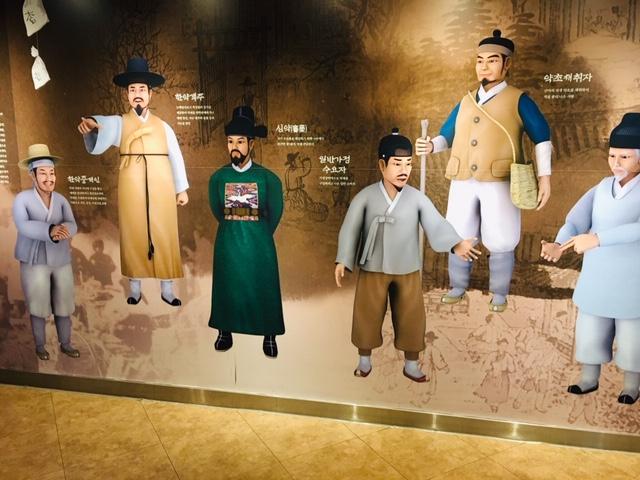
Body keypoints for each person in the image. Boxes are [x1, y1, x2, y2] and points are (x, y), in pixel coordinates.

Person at [415, 29, 552, 312]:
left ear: (507, 64)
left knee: (501, 236)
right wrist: (431, 145)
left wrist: (545, 177)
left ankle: (499, 292)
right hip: (463, 178)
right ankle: (458, 286)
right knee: (459, 231)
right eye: (480, 61)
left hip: (500, 179)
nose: (484, 67)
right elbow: (448, 134)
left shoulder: (518, 99)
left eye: (492, 60)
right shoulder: (466, 100)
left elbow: (542, 137)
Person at [335, 128, 479, 382]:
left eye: (409, 163)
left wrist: (456, 243)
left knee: (411, 315)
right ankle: (364, 359)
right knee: (367, 313)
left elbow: (436, 223)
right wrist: (343, 259)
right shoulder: (365, 197)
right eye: (397, 163)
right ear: (382, 165)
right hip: (373, 266)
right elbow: (350, 228)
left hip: (407, 267)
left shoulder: (416, 198)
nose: (404, 170)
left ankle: (411, 364)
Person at [541, 113, 640, 405]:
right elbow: (575, 220)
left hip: (631, 278)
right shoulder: (601, 187)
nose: (616, 162)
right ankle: (588, 377)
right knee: (591, 330)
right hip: (597, 277)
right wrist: (559, 244)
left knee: (632, 335)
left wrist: (598, 239)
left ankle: (632, 384)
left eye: (624, 156)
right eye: (612, 155)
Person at [77, 57, 189, 306]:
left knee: (164, 233)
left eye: (142, 89)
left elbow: (176, 156)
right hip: (132, 186)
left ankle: (167, 289)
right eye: (132, 89)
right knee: (133, 232)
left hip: (162, 186)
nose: (137, 94)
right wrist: (94, 124)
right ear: (127, 94)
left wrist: (181, 189)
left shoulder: (163, 127)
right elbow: (104, 123)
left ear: (150, 94)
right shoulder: (120, 123)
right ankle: (135, 289)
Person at [208, 106, 285, 357]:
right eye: (230, 141)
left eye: (240, 141)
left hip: (259, 243)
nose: (235, 147)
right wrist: (233, 226)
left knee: (264, 285)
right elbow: (216, 209)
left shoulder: (268, 178)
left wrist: (259, 233)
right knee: (227, 285)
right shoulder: (218, 178)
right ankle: (224, 331)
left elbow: (275, 211)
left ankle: (269, 334)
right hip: (228, 242)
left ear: (251, 144)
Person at [12, 144, 80, 360]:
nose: (49, 178)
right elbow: (23, 225)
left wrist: (65, 230)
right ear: (32, 175)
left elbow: (72, 223)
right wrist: (50, 230)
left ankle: (66, 344)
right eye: (43, 173)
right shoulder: (22, 199)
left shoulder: (61, 200)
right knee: (38, 304)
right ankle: (40, 346)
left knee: (64, 303)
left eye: (52, 173)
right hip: (34, 260)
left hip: (60, 258)